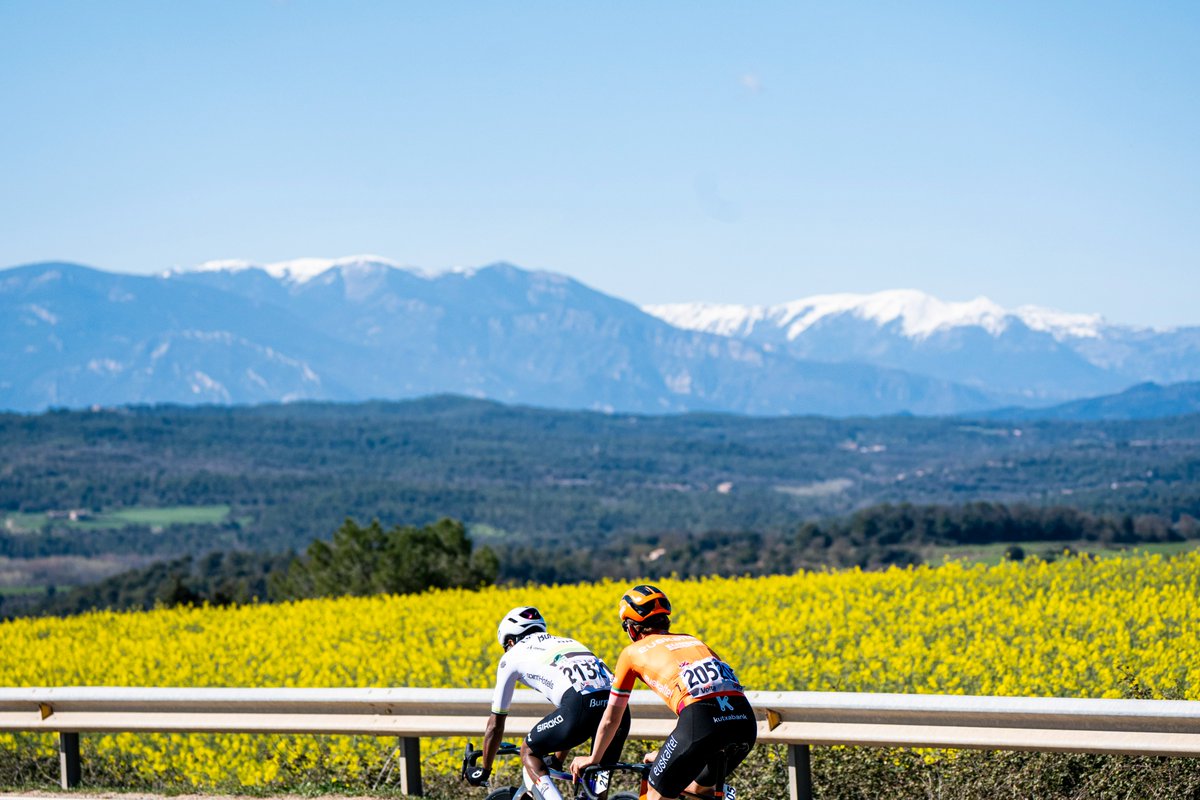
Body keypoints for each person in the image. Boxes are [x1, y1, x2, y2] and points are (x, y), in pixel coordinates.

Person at [570, 585, 756, 800]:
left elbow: (612, 718)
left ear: (631, 629)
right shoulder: (693, 640)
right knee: (698, 790)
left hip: (702, 724)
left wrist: (594, 758)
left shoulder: (631, 653)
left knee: (656, 793)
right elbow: (710, 695)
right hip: (744, 722)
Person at [466, 606, 630, 800]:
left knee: (529, 750)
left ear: (510, 641)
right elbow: (573, 713)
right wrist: (558, 759)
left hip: (581, 708)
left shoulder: (512, 655)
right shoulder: (568, 642)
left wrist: (484, 769)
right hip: (618, 711)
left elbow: (495, 725)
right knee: (598, 782)